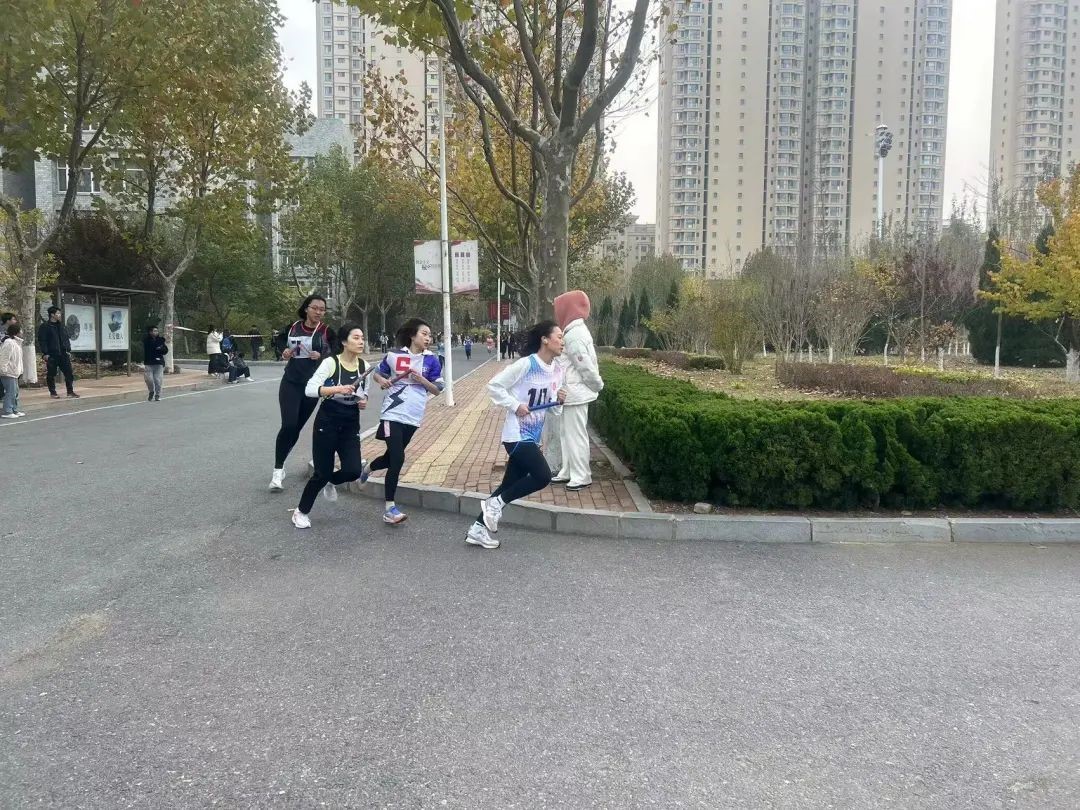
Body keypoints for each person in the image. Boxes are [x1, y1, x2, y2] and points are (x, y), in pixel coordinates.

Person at [465, 320, 567, 550]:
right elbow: (494, 386)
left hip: (533, 436)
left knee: (508, 485)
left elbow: (551, 408)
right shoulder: (526, 364)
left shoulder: (558, 370)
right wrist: (515, 405)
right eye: (559, 337)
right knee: (542, 476)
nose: (563, 342)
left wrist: (559, 401)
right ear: (545, 339)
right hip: (516, 435)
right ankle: (495, 505)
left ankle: (477, 529)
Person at [363, 318, 444, 524]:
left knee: (390, 458)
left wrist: (421, 380)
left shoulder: (432, 360)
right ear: (412, 335)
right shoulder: (394, 355)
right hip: (392, 413)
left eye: (429, 335)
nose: (428, 338)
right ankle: (389, 509)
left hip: (413, 415)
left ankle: (368, 468)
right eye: (424, 334)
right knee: (398, 458)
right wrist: (383, 381)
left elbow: (437, 389)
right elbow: (378, 374)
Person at [291, 324, 370, 528]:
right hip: (328, 420)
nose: (361, 341)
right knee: (321, 472)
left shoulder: (364, 366)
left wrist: (363, 400)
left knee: (353, 471)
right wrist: (337, 389)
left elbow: (364, 392)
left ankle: (331, 481)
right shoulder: (330, 363)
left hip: (351, 421)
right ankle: (301, 511)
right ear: (344, 342)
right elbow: (310, 389)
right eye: (356, 338)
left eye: (362, 338)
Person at [270, 295, 335, 492]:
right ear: (306, 308)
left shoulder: (326, 331)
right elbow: (279, 340)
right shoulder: (292, 327)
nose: (318, 312)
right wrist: (284, 351)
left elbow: (336, 353)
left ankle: (281, 462)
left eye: (322, 309)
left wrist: (322, 355)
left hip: (312, 386)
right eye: (315, 308)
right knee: (288, 425)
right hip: (291, 382)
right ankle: (277, 471)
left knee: (296, 428)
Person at [545, 290, 605, 491]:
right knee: (566, 434)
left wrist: (597, 384)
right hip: (570, 394)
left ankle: (581, 475)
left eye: (559, 309)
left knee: (575, 435)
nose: (557, 313)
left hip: (575, 394)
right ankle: (569, 471)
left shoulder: (575, 335)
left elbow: (585, 366)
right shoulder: (572, 332)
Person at [37, 306, 79, 399]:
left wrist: (68, 349)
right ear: (52, 315)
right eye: (58, 313)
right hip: (52, 354)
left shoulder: (61, 326)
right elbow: (42, 340)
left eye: (60, 313)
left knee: (69, 373)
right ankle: (53, 392)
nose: (60, 315)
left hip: (63, 353)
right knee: (51, 374)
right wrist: (45, 353)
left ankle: (70, 391)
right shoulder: (45, 326)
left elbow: (66, 338)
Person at [0, 323, 26, 418]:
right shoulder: (9, 342)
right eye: (21, 330)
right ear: (16, 332)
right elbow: (4, 357)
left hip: (14, 372)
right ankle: (7, 411)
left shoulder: (16, 343)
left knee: (15, 392)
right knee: (10, 392)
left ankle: (14, 409)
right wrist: (3, 369)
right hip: (8, 372)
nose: (22, 332)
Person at [142, 325, 168, 401]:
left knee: (158, 380)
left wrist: (161, 348)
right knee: (148, 379)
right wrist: (158, 346)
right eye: (154, 331)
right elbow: (150, 347)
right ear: (150, 332)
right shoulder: (146, 340)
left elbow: (165, 351)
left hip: (159, 363)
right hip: (149, 363)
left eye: (157, 331)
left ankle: (157, 394)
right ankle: (151, 391)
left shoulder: (160, 340)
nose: (156, 332)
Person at [0, 312, 17, 404]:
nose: (15, 321)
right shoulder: (2, 330)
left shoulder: (12, 330)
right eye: (13, 319)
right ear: (8, 321)